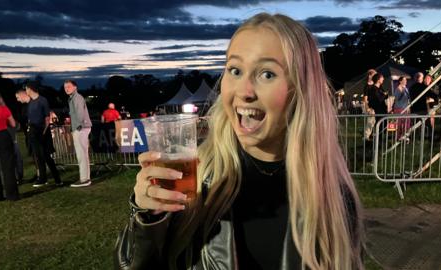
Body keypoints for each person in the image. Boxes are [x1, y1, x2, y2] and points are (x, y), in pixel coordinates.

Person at [115, 13, 363, 270]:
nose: (244, 92)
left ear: (300, 89)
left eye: (267, 74)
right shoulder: (198, 180)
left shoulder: (333, 195)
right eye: (235, 70)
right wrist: (147, 217)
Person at [25, 82, 62, 187]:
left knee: (46, 156)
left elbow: (47, 118)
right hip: (33, 131)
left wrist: (44, 132)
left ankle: (57, 179)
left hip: (41, 131)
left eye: (26, 89)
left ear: (30, 89)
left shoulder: (42, 100)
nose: (26, 91)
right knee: (38, 156)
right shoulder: (31, 102)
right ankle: (43, 178)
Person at [0, 87, 19, 201]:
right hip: (3, 137)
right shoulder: (3, 109)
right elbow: (13, 124)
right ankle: (12, 195)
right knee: (8, 168)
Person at [64, 80, 92, 187]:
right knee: (82, 154)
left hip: (80, 128)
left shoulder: (77, 98)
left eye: (69, 86)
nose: (66, 89)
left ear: (75, 87)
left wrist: (78, 127)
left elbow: (80, 113)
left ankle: (84, 179)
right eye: (65, 87)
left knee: (81, 154)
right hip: (80, 127)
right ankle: (85, 178)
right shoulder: (73, 98)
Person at [15, 88, 39, 183]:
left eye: (17, 97)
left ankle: (40, 174)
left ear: (22, 95)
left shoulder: (31, 105)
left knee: (36, 155)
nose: (17, 100)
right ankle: (38, 174)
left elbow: (27, 119)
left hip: (33, 134)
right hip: (27, 134)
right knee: (33, 155)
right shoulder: (24, 106)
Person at [363, 69, 377, 141]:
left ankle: (371, 135)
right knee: (369, 122)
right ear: (370, 75)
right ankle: (366, 137)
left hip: (375, 105)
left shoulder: (375, 84)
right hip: (369, 106)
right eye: (374, 75)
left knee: (374, 121)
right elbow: (365, 98)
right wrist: (367, 107)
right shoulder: (367, 86)